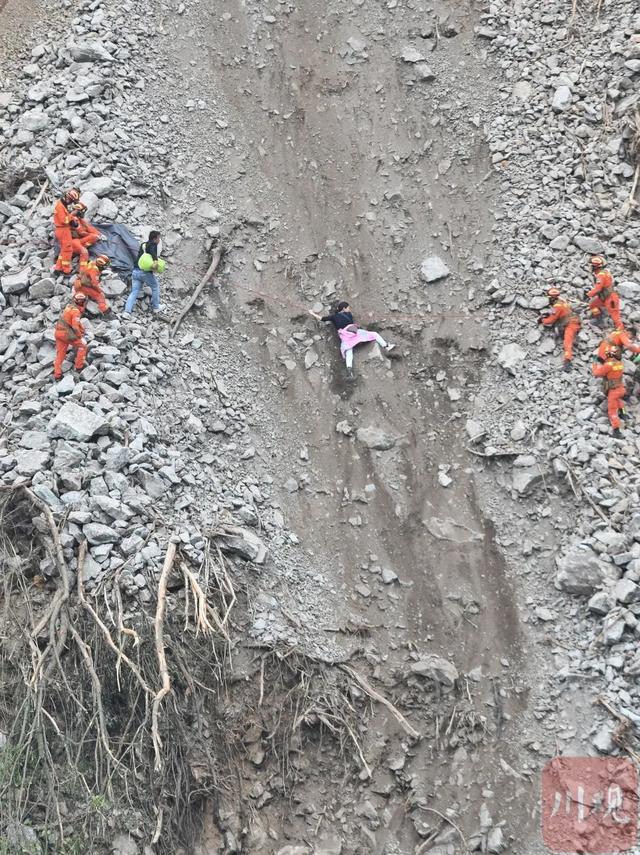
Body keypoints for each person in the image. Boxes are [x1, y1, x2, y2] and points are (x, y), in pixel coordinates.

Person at [309, 301, 395, 378]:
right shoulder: (349, 314)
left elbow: (322, 319)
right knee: (375, 334)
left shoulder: (334, 317)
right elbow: (351, 324)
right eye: (348, 307)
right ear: (344, 308)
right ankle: (386, 346)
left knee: (348, 351)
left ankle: (349, 370)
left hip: (346, 337)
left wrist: (312, 313)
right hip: (355, 333)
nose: (349, 309)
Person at [537, 287, 581, 371]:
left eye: (549, 298)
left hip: (572, 323)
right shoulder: (562, 301)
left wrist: (542, 320)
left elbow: (550, 320)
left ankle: (567, 363)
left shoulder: (557, 306)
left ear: (552, 298)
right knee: (559, 329)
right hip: (572, 320)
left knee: (567, 342)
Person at [123, 230, 164, 317]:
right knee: (155, 287)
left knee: (134, 292)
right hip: (145, 273)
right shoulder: (153, 245)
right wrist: (156, 262)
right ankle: (156, 307)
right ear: (155, 239)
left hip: (135, 271)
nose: (159, 240)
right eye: (158, 238)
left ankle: (126, 312)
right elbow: (153, 254)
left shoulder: (143, 245)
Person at [591, 345, 626, 438]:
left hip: (613, 390)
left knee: (612, 410)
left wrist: (595, 363)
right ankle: (624, 413)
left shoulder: (608, 365)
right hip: (621, 388)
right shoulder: (620, 363)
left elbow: (596, 373)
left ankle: (616, 430)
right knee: (619, 400)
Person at [53, 292, 88, 380]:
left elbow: (70, 321)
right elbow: (75, 327)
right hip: (66, 334)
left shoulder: (69, 307)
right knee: (83, 345)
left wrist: (82, 328)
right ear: (82, 302)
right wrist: (80, 336)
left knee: (60, 354)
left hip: (58, 333)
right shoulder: (76, 311)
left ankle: (57, 375)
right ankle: (79, 367)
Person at [586, 255, 623, 329]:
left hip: (610, 298)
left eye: (592, 265)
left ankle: (620, 330)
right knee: (592, 304)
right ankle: (598, 319)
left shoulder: (601, 275)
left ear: (595, 267)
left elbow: (597, 289)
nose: (590, 267)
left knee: (615, 315)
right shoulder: (604, 272)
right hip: (604, 296)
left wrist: (589, 294)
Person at [53, 188, 81, 275]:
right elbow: (64, 220)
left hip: (62, 230)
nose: (69, 202)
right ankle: (66, 270)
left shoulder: (61, 204)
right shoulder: (60, 206)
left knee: (64, 250)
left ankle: (58, 268)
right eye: (70, 200)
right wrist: (73, 214)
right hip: (63, 230)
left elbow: (65, 218)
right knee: (68, 250)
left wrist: (72, 218)